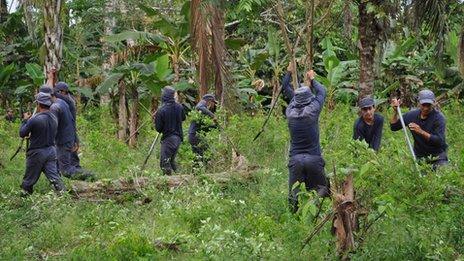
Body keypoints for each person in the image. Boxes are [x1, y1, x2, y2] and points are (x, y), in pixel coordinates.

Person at [286, 69, 330, 213]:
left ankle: (293, 219)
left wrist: (288, 73)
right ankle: (315, 212)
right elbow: (322, 91)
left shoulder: (290, 113)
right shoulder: (313, 110)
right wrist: (312, 79)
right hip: (313, 159)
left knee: (293, 196)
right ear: (309, 99)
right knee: (323, 189)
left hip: (295, 160)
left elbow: (286, 90)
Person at [42, 85, 93, 180]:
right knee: (59, 164)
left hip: (63, 141)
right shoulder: (62, 102)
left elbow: (53, 126)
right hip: (67, 137)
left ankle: (90, 175)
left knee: (65, 169)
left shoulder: (55, 107)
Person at [19, 92, 65, 195]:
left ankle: (24, 198)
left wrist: (25, 120)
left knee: (29, 179)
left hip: (37, 153)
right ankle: (63, 195)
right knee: (54, 178)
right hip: (51, 151)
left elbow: (22, 133)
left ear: (39, 104)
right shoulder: (54, 118)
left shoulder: (34, 119)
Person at [390, 89, 448, 170]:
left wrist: (421, 131)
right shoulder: (411, 115)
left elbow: (439, 141)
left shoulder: (439, 118)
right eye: (423, 105)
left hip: (437, 157)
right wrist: (395, 111)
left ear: (434, 103)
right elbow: (394, 127)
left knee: (443, 174)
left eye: (429, 105)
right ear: (418, 103)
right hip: (420, 157)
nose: (426, 108)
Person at [154, 86, 186, 175]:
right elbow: (183, 118)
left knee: (164, 163)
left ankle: (167, 184)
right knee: (171, 161)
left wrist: (158, 120)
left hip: (168, 139)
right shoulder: (180, 107)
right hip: (178, 138)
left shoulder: (161, 110)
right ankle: (180, 178)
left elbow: (158, 129)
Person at [54, 82, 81, 170]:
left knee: (70, 156)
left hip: (68, 131)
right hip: (69, 130)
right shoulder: (67, 99)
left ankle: (81, 173)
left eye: (58, 92)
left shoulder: (68, 100)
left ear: (63, 92)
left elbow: (54, 94)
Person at [188, 94, 218, 165]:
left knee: (197, 157)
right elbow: (199, 107)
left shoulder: (202, 112)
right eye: (214, 103)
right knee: (206, 155)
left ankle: (196, 173)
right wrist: (212, 116)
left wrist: (216, 126)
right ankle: (207, 172)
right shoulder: (202, 105)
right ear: (210, 101)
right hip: (195, 135)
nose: (214, 106)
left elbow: (204, 126)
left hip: (194, 135)